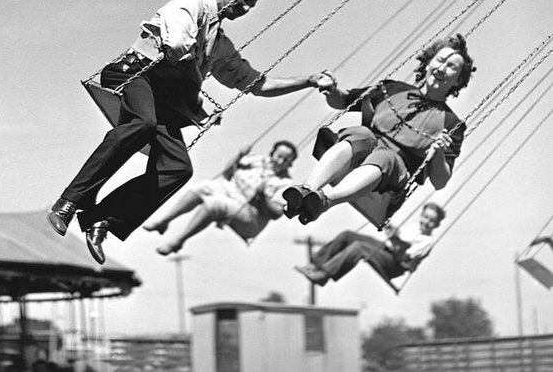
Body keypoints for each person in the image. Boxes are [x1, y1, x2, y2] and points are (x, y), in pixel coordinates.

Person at [46, 0, 336, 264]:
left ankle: (102, 218)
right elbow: (176, 49)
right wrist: (196, 104)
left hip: (161, 100)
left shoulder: (220, 45)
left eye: (252, 4)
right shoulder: (189, 5)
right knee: (142, 123)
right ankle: (70, 202)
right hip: (135, 74)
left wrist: (308, 81)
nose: (247, 7)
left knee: (177, 167)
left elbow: (258, 84)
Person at [282, 33, 475, 225]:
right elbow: (344, 100)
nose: (442, 69)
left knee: (386, 156)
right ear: (428, 63)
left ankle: (324, 201)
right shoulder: (393, 89)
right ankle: (306, 192)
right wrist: (331, 90)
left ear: (458, 80)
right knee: (362, 135)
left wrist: (439, 153)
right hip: (361, 148)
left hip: (392, 172)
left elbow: (440, 182)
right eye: (440, 61)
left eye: (451, 67)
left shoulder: (451, 124)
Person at [142, 139, 298, 255]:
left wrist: (262, 196)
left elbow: (277, 213)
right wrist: (239, 155)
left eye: (286, 159)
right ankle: (164, 221)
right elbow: (227, 173)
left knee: (215, 204)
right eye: (279, 156)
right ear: (273, 153)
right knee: (202, 187)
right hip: (233, 194)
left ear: (290, 162)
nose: (281, 161)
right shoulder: (255, 160)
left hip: (252, 216)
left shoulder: (284, 182)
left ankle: (178, 241)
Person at [295, 202, 446, 286]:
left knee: (359, 247)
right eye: (425, 217)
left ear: (437, 225)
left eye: (431, 221)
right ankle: (316, 264)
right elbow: (398, 238)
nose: (426, 222)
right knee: (348, 236)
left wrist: (395, 239)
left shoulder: (427, 241)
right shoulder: (414, 228)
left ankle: (324, 274)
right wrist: (391, 230)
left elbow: (404, 256)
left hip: (395, 264)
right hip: (387, 250)